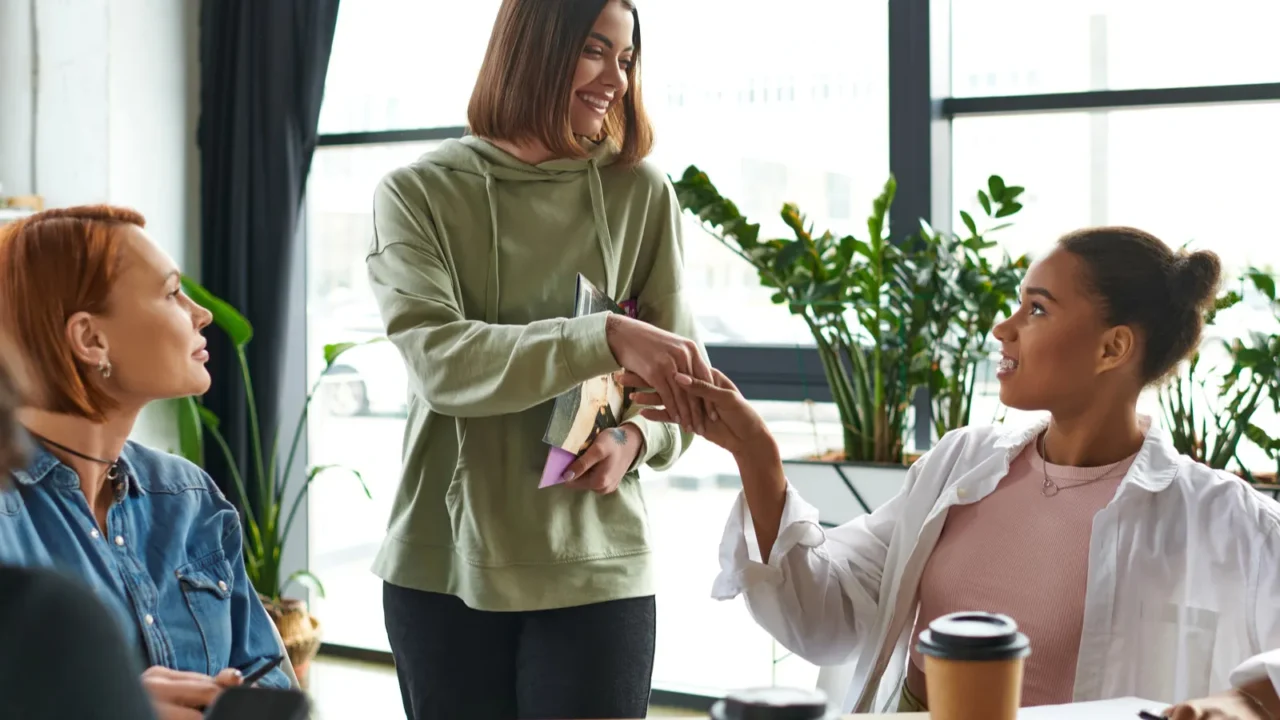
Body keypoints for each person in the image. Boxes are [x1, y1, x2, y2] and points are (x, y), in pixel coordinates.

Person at [627, 226, 1280, 719]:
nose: (1004, 329)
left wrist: (1245, 701)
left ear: (1113, 347)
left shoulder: (1218, 514)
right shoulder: (961, 465)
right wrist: (756, 454)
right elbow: (823, 616)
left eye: (1038, 310)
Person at [366, 0, 709, 717]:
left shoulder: (641, 193)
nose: (615, 78)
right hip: (444, 564)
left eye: (626, 58)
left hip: (597, 566)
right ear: (532, 49)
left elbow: (683, 385)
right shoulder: (417, 193)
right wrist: (605, 336)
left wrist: (637, 438)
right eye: (594, 50)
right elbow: (441, 361)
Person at [0, 206, 291, 719]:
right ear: (91, 339)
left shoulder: (190, 497)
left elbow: (268, 677)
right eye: (171, 292)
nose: (199, 313)